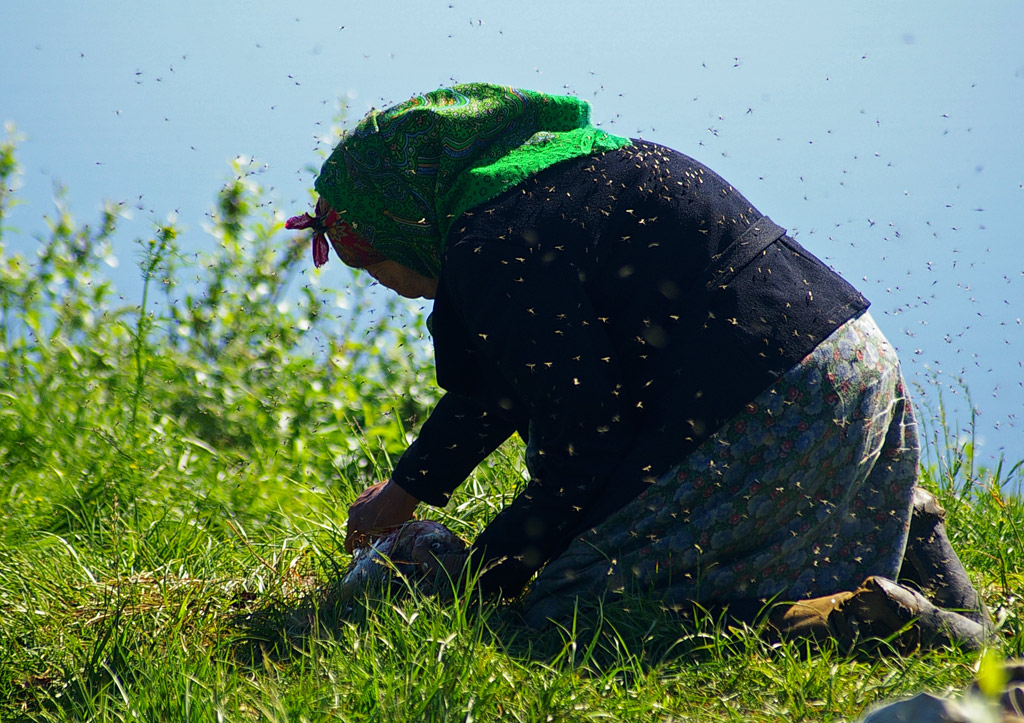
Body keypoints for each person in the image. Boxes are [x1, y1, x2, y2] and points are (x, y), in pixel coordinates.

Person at [286, 83, 988, 647]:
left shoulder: (492, 248)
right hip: (858, 370)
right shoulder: (579, 171)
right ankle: (935, 577)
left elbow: (584, 447)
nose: (390, 286)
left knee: (571, 614)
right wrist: (405, 488)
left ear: (406, 217)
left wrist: (487, 582)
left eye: (369, 262)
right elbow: (506, 379)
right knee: (972, 641)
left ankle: (841, 620)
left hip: (768, 408)